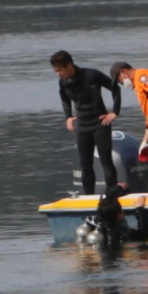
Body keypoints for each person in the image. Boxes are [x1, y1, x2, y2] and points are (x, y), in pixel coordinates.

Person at [52, 50, 122, 196]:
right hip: (83, 126)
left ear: (69, 65)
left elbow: (114, 87)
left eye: (59, 70)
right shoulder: (63, 82)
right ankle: (89, 198)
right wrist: (68, 117)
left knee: (106, 162)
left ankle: (112, 195)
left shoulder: (91, 75)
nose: (58, 74)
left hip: (100, 124)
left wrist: (114, 112)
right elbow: (64, 97)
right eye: (55, 71)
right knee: (86, 165)